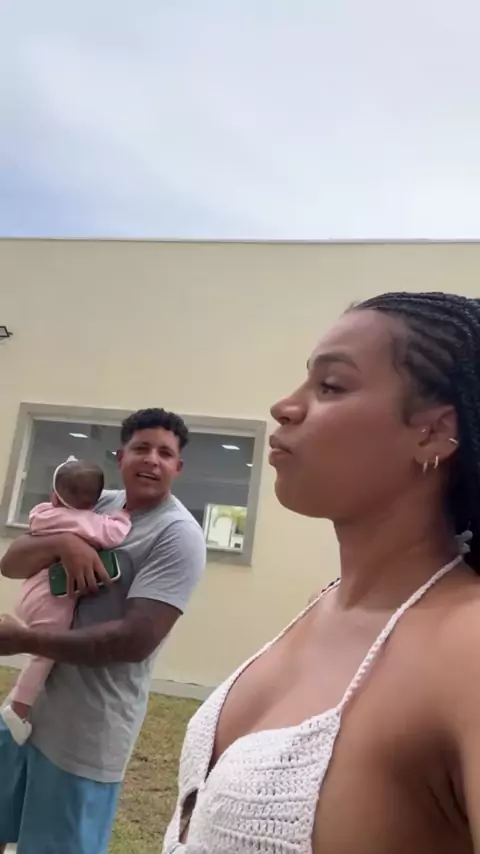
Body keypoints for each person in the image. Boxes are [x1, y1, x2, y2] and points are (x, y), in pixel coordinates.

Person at [163, 292, 480, 854]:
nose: (284, 406)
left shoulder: (466, 646)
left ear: (432, 432)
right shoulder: (324, 603)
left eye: (331, 386)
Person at [0, 407, 206, 854]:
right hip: (24, 711)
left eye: (165, 453)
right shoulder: (95, 501)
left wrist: (24, 639)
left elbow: (135, 640)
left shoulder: (177, 535)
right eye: (141, 448)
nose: (151, 459)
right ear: (120, 456)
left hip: (86, 734)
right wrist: (63, 543)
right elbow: (11, 563)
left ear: (178, 466)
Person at [1, 455, 132, 745]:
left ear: (54, 496)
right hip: (51, 600)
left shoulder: (43, 513)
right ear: (94, 501)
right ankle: (19, 709)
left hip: (32, 590)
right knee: (44, 652)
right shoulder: (88, 521)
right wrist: (122, 516)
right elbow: (114, 534)